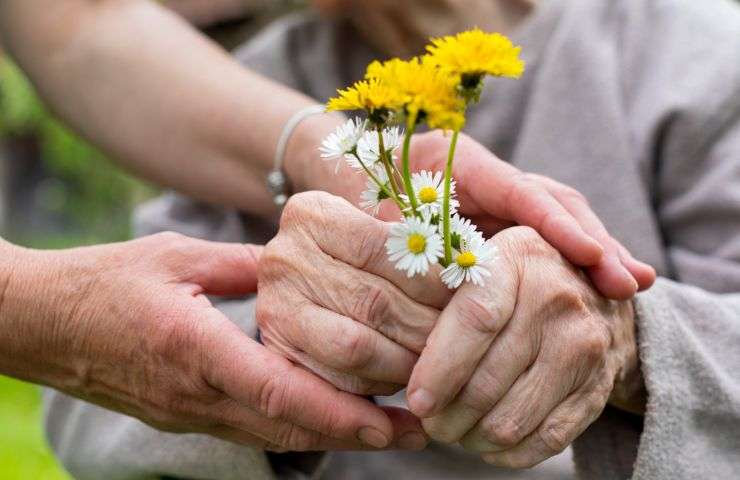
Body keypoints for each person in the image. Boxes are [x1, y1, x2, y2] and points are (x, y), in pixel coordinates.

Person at [42, 0, 740, 479]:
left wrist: (632, 342)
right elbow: (84, 407)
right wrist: (281, 349)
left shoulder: (690, 55)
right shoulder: (241, 92)